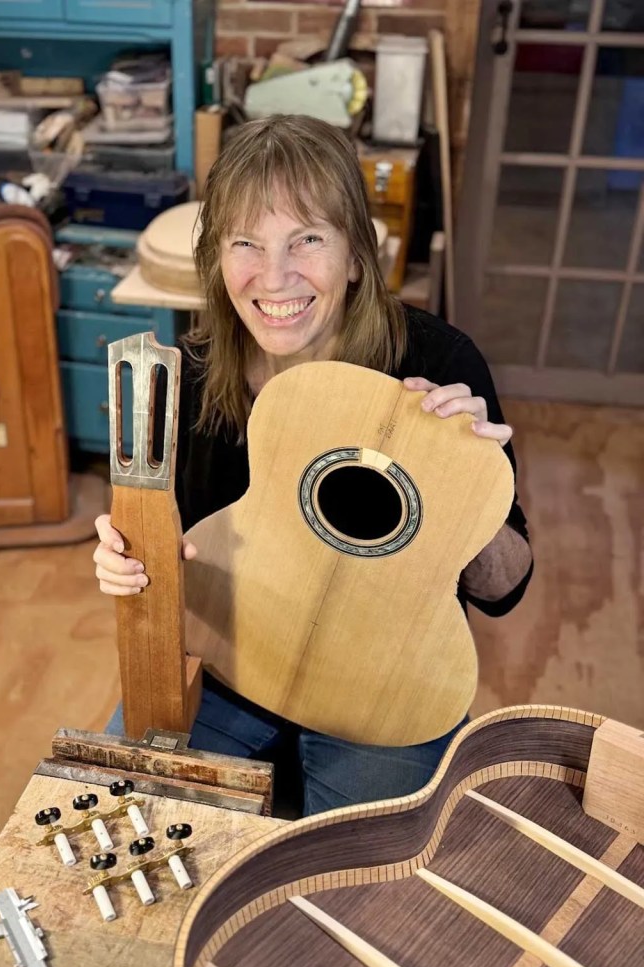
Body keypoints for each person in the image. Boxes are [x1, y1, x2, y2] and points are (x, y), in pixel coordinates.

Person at [93, 114, 534, 817]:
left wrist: (461, 479)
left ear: (356, 256)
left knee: (357, 898)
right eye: (247, 243)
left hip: (387, 696)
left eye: (307, 240)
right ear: (217, 261)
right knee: (132, 825)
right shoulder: (193, 377)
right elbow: (167, 554)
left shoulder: (436, 363)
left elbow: (506, 587)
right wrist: (128, 560)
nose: (275, 276)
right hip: (226, 665)